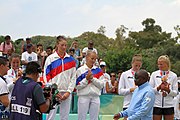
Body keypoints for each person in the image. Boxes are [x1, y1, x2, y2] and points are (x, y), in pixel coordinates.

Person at [44, 35, 76, 120]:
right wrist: (53, 91)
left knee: (64, 117)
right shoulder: (50, 59)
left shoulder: (71, 60)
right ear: (57, 45)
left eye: (65, 45)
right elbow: (46, 76)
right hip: (54, 93)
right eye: (62, 45)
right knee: (50, 117)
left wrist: (68, 92)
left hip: (66, 93)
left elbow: (73, 78)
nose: (64, 47)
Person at [76, 51, 104, 120]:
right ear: (87, 58)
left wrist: (92, 79)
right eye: (92, 58)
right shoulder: (80, 70)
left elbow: (101, 85)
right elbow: (77, 86)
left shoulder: (98, 71)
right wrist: (86, 79)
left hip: (95, 96)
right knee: (82, 117)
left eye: (95, 59)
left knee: (94, 118)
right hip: (83, 96)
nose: (93, 61)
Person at [149, 55, 178, 120]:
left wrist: (168, 91)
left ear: (167, 64)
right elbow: (150, 90)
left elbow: (175, 93)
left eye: (161, 64)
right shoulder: (154, 74)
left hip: (169, 105)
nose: (159, 66)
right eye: (158, 64)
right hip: (156, 104)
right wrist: (158, 88)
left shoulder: (173, 75)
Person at [118, 54, 142, 119]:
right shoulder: (125, 74)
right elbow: (120, 91)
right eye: (136, 65)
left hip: (139, 105)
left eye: (139, 66)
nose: (137, 67)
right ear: (132, 63)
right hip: (128, 104)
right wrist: (130, 90)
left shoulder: (143, 75)